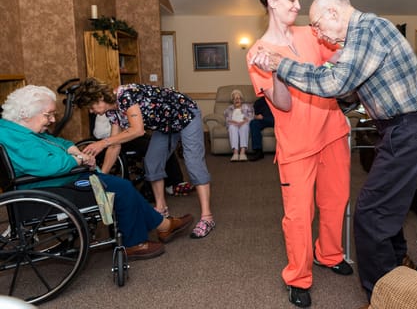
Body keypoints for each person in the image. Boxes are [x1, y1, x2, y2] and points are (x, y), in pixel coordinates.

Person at [250, 0, 417, 302]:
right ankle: (399, 266)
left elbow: (334, 83)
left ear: (334, 13)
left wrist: (281, 64)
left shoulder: (366, 31)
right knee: (387, 209)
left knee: (370, 214)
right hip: (403, 128)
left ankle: (382, 296)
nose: (319, 34)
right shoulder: (365, 33)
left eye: (318, 25)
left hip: (408, 128)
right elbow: (347, 90)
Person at [247, 0, 352, 308]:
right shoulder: (258, 52)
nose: (298, 4)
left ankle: (330, 254)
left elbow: (335, 62)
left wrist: (343, 43)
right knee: (298, 215)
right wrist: (277, 68)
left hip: (333, 130)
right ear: (272, 1)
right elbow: (283, 102)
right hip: (297, 145)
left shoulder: (310, 33)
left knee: (336, 201)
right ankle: (298, 277)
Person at [0, 85, 194, 260]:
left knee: (115, 183)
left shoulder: (19, 130)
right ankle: (136, 243)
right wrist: (78, 159)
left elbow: (59, 143)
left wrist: (73, 150)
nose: (52, 120)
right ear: (26, 114)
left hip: (57, 180)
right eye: (48, 115)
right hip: (50, 188)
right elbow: (49, 166)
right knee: (122, 189)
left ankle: (164, 226)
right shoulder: (15, 137)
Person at [74, 78, 215, 239]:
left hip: (185, 114)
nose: (91, 111)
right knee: (152, 162)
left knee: (193, 163)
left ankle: (207, 217)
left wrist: (102, 143)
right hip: (164, 124)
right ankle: (161, 209)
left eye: (91, 107)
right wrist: (101, 176)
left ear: (99, 98)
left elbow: (138, 130)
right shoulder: (112, 111)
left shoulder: (126, 95)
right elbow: (115, 145)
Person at [224, 89, 254, 162]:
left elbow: (251, 117)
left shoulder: (247, 107)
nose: (237, 100)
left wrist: (244, 120)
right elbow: (227, 120)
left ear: (241, 99)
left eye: (238, 98)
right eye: (234, 98)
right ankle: (235, 153)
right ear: (232, 100)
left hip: (244, 123)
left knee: (244, 127)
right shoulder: (229, 109)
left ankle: (243, 152)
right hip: (233, 124)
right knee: (232, 128)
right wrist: (234, 122)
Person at [247, 96, 274, 161]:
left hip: (275, 119)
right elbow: (253, 114)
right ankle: (258, 151)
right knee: (254, 123)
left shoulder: (276, 99)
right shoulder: (258, 102)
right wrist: (256, 117)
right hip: (263, 120)